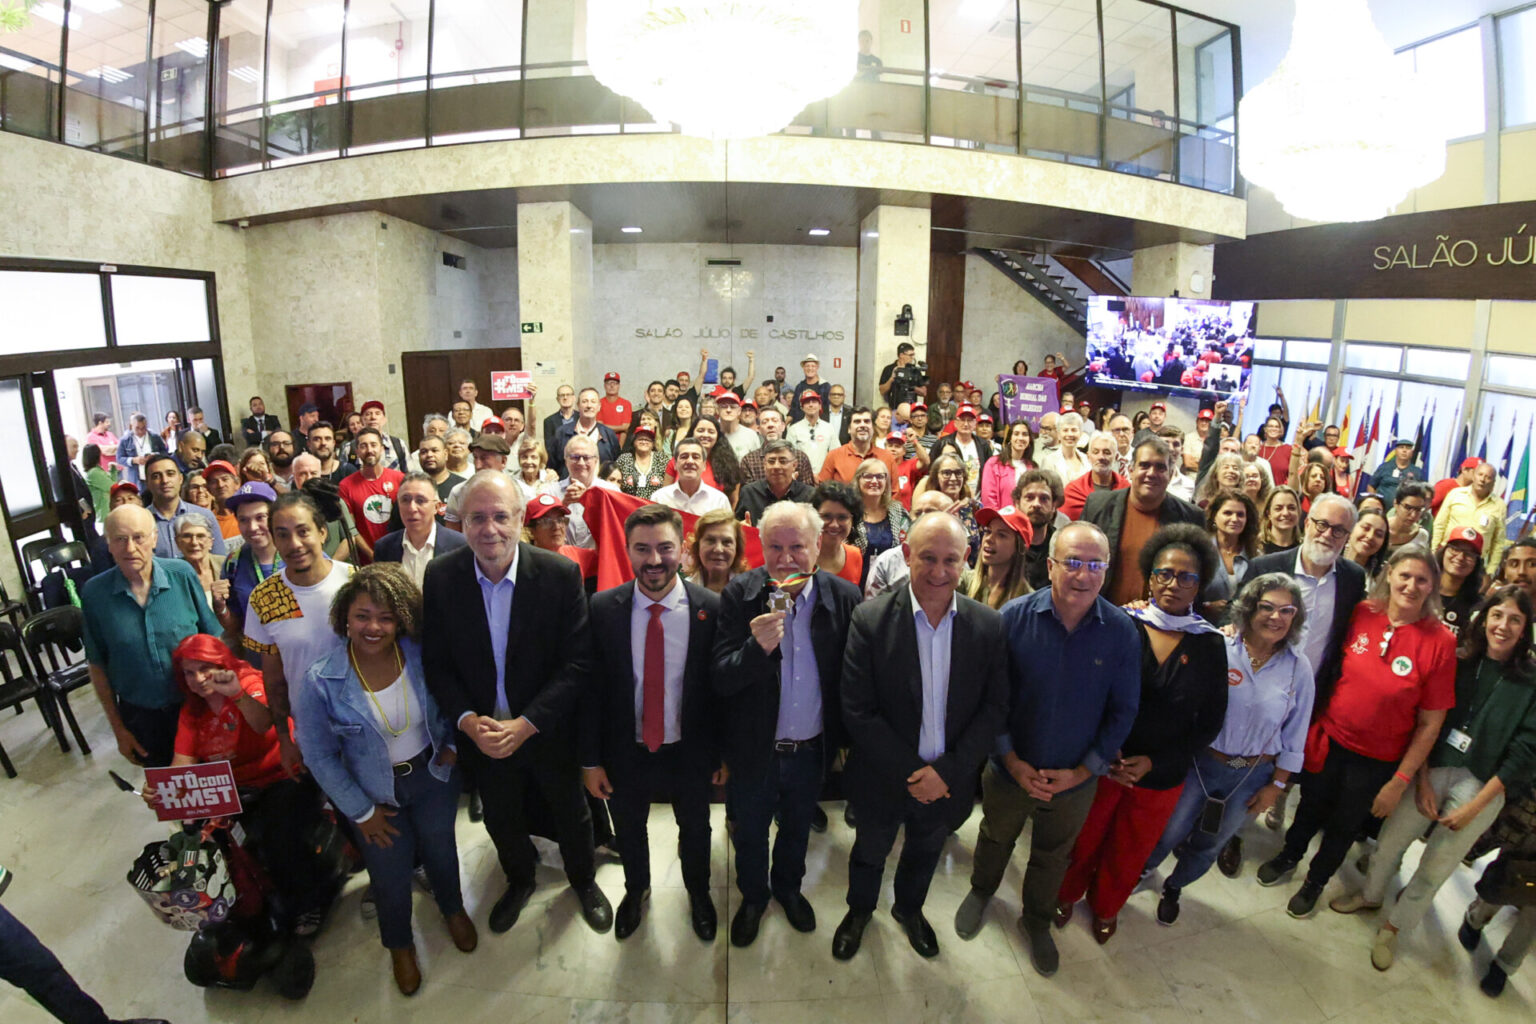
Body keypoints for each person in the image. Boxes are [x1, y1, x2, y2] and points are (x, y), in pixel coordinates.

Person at [421, 472, 613, 936]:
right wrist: (467, 722)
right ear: (460, 523)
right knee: (502, 818)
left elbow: (577, 665)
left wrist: (527, 724)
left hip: (547, 731)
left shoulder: (558, 574)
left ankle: (583, 881)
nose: (489, 529)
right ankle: (519, 880)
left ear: (522, 519)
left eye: (501, 516)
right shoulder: (442, 576)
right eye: (476, 518)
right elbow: (437, 663)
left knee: (572, 814)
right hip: (483, 737)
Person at [955, 522, 1140, 976]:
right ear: (1052, 565)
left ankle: (1036, 919)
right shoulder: (1013, 618)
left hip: (1075, 779)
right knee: (997, 835)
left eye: (1094, 565)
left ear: (1107, 570)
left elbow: (1123, 711)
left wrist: (1083, 772)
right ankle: (982, 890)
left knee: (1054, 854)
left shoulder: (1120, 632)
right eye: (1072, 562)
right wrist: (1012, 762)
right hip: (1010, 768)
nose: (1083, 575)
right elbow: (991, 700)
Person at [1327, 585, 1536, 972]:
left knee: (1436, 865)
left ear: (1525, 629)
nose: (1503, 626)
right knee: (1389, 843)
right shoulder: (1458, 659)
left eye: (1515, 619)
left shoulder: (1530, 681)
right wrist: (1421, 778)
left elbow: (1525, 753)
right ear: (1484, 617)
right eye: (1497, 615)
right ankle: (1372, 896)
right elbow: (1428, 720)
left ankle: (1393, 927)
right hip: (1433, 768)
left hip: (1482, 787)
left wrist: (1477, 806)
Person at [833, 514, 1007, 961]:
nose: (938, 571)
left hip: (948, 780)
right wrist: (915, 773)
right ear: (907, 554)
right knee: (869, 851)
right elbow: (858, 709)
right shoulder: (869, 620)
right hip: (884, 776)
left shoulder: (987, 626)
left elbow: (994, 709)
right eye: (927, 557)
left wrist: (946, 773)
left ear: (966, 561)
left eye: (951, 560)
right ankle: (859, 911)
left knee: (925, 852)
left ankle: (909, 911)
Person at [294, 564, 475, 994]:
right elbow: (318, 755)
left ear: (403, 620)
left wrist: (452, 745)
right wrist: (361, 811)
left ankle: (452, 909)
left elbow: (449, 697)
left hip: (433, 776)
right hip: (375, 794)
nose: (373, 627)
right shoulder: (321, 680)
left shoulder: (418, 654)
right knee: (389, 875)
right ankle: (400, 945)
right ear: (344, 617)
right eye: (362, 615)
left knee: (442, 850)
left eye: (386, 617)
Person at [1256, 546, 1455, 919]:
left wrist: (1399, 780)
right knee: (1310, 806)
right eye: (1405, 575)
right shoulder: (1364, 613)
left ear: (1432, 587)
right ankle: (1288, 855)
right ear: (1390, 574)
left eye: (1422, 580)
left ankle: (1315, 881)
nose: (1411, 586)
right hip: (1330, 738)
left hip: (1377, 759)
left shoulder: (1440, 642)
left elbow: (1431, 723)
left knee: (1344, 825)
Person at [1056, 524, 1228, 944]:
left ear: (1200, 584)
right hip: (1102, 764)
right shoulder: (1121, 625)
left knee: (1130, 850)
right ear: (1150, 577)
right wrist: (1104, 753)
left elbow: (1209, 722)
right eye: (1164, 573)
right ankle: (1065, 894)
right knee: (1084, 839)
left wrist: (1155, 761)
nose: (1173, 583)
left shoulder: (1210, 645)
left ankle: (1107, 906)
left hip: (1161, 774)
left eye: (1187, 577)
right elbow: (1090, 695)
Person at [712, 500, 860, 947]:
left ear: (818, 546)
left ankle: (789, 889)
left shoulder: (843, 598)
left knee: (798, 829)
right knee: (751, 832)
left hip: (812, 748)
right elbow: (720, 676)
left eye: (797, 546)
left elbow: (852, 680)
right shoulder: (741, 594)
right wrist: (757, 649)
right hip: (756, 748)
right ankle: (754, 897)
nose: (786, 558)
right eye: (775, 546)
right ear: (760, 545)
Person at [581, 504, 723, 941]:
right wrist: (590, 761)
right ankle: (636, 891)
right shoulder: (603, 608)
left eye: (665, 547)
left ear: (684, 549)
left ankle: (698, 894)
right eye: (642, 549)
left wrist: (722, 754)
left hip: (691, 750)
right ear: (626, 551)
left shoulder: (711, 609)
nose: (654, 559)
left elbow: (721, 692)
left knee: (696, 828)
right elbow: (591, 691)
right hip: (627, 750)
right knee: (629, 827)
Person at [1146, 573, 1315, 924]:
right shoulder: (1218, 647)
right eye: (1267, 607)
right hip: (1202, 764)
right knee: (1169, 829)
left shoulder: (1300, 669)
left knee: (1210, 842)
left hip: (1253, 776)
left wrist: (1277, 786)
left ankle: (1175, 887)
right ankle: (1140, 872)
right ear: (1249, 608)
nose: (1276, 617)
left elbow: (1296, 736)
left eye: (1287, 610)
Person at [149, 633, 333, 936]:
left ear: (220, 663)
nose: (198, 679)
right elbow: (182, 762)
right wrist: (162, 789)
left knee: (278, 837)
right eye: (189, 673)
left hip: (284, 773)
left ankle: (310, 900)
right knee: (206, 843)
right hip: (233, 790)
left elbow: (263, 723)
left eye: (204, 668)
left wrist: (235, 693)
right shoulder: (192, 710)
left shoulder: (249, 682)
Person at [82, 505, 223, 768]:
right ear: (108, 545)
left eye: (139, 537)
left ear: (155, 538)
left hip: (198, 707)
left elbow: (214, 641)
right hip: (142, 717)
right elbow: (97, 664)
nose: (130, 548)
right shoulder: (94, 593)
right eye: (120, 539)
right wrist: (118, 729)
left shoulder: (181, 574)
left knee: (215, 793)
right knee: (169, 797)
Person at [1082, 436, 1203, 605]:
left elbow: (1193, 580)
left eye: (1160, 467)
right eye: (1144, 465)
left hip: (1159, 622)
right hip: (1102, 616)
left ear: (1170, 473)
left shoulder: (1191, 518)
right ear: (1131, 470)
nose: (1151, 473)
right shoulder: (1097, 506)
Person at [373, 472, 469, 589]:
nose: (412, 508)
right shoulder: (384, 547)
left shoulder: (459, 546)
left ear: (437, 507)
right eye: (405, 500)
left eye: (420, 500)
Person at [219, 482, 280, 651]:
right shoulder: (234, 562)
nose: (252, 528)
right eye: (244, 520)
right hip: (257, 661)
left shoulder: (299, 553)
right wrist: (220, 607)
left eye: (260, 518)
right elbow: (234, 625)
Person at [337, 428, 405, 563]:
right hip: (367, 560)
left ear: (381, 448)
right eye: (363, 446)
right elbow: (351, 529)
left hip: (400, 555)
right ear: (357, 451)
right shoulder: (346, 486)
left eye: (373, 445)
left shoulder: (400, 479)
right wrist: (371, 554)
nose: (369, 450)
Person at [1433, 461, 1508, 571]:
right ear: (1474, 476)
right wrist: (1434, 551)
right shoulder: (1455, 494)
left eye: (1488, 477)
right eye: (1480, 475)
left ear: (1493, 483)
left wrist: (1490, 570)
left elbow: (1498, 541)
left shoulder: (1499, 505)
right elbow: (1440, 524)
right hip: (1449, 554)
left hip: (1475, 561)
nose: (1482, 480)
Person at [912, 453, 981, 563]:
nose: (953, 478)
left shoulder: (973, 507)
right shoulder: (927, 510)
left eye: (958, 473)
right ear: (936, 476)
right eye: (946, 473)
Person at [1202, 489, 1258, 621]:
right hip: (1203, 628)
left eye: (1240, 514)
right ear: (1214, 516)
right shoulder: (1200, 551)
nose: (1234, 519)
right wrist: (1206, 607)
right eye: (1228, 513)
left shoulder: (1255, 555)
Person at [853, 456, 910, 577]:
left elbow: (909, 545)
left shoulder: (898, 511)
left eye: (880, 476)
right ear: (858, 480)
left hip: (891, 580)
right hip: (855, 580)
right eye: (868, 476)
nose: (874, 481)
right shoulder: (849, 513)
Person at [967, 504, 1033, 609]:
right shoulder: (964, 582)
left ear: (1020, 547)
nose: (989, 539)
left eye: (1001, 535)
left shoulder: (1027, 602)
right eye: (988, 531)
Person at [735, 440, 812, 525]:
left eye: (783, 461)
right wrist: (740, 527)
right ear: (764, 465)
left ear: (794, 465)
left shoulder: (809, 495)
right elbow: (736, 525)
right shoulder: (749, 493)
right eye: (771, 461)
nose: (776, 466)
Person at [552, 388, 621, 480]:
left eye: (593, 402)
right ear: (578, 406)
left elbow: (615, 466)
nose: (589, 405)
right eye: (584, 401)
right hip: (571, 489)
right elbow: (553, 465)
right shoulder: (562, 433)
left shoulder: (609, 434)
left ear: (599, 406)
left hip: (601, 490)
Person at [652, 437, 731, 516]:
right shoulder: (659, 498)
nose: (690, 461)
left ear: (704, 465)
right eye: (684, 456)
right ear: (675, 464)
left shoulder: (719, 501)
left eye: (696, 457)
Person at [818, 407, 899, 484]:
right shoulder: (834, 456)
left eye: (867, 421)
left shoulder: (887, 458)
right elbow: (822, 492)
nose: (862, 425)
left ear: (873, 428)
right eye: (857, 421)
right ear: (849, 429)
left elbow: (894, 493)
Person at [740, 406, 815, 485]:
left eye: (775, 421)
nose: (770, 425)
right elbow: (748, 494)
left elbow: (808, 494)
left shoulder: (800, 457)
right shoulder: (749, 461)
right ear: (758, 429)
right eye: (765, 422)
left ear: (783, 426)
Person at [1060, 432, 1126, 521]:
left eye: (1107, 452)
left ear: (1115, 457)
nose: (1101, 457)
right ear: (1088, 457)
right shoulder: (1073, 491)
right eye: (1096, 452)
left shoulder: (1126, 489)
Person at [929, 404, 994, 495]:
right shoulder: (942, 444)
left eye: (970, 420)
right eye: (962, 420)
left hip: (976, 500)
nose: (966, 424)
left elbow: (990, 474)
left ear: (975, 424)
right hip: (947, 497)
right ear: (955, 422)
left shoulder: (983, 445)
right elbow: (932, 471)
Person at [1016, 469, 1063, 592]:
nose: (1036, 504)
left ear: (1054, 506)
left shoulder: (1062, 546)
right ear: (1017, 503)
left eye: (1044, 498)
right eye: (1029, 497)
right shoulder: (1006, 544)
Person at [1435, 527, 1486, 638]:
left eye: (1469, 554)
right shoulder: (1423, 589)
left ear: (1476, 563)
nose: (1460, 557)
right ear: (1444, 551)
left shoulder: (1476, 606)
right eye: (1455, 549)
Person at [810, 481, 863, 587]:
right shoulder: (799, 556)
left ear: (853, 520)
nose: (834, 525)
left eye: (842, 517)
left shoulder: (855, 555)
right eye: (826, 516)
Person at [173, 513, 227, 613]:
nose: (194, 542)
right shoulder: (172, 575)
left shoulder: (226, 565)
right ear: (178, 543)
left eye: (200, 536)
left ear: (211, 542)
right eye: (187, 536)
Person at [685, 508, 748, 593]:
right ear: (697, 546)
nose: (718, 549)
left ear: (737, 548)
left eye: (726, 542)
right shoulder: (683, 592)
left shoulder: (751, 592)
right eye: (710, 540)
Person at [980, 421, 1036, 510]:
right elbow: (989, 499)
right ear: (1010, 438)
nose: (1020, 438)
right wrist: (997, 521)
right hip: (1001, 520)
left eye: (1025, 434)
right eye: (1016, 434)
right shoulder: (994, 463)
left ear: (1029, 440)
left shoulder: (1033, 467)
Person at [785, 390, 836, 475]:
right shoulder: (793, 429)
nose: (811, 405)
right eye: (807, 402)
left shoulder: (829, 427)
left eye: (814, 402)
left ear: (820, 406)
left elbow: (835, 454)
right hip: (802, 478)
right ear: (802, 407)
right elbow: (788, 456)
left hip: (825, 477)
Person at [614, 423, 667, 499]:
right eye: (640, 439)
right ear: (634, 442)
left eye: (647, 440)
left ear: (653, 444)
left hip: (655, 507)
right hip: (629, 506)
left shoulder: (661, 459)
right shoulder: (624, 459)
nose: (644, 442)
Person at [116, 413, 166, 491]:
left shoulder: (154, 437)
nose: (140, 431)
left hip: (155, 475)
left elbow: (165, 453)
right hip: (136, 479)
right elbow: (119, 459)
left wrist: (155, 456)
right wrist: (134, 460)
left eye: (143, 428)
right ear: (131, 426)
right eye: (137, 428)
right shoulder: (125, 440)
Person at [1370, 437, 1424, 508]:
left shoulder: (1417, 471)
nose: (1404, 450)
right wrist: (1374, 502)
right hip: (1382, 509)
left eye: (1408, 448)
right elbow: (1371, 486)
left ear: (1412, 453)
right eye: (1401, 447)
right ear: (1396, 451)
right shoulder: (1384, 467)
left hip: (1405, 511)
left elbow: (1422, 492)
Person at [1383, 479, 1431, 554]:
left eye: (1418, 509)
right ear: (1396, 504)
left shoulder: (1421, 536)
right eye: (1408, 508)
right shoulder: (1380, 528)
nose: (1413, 515)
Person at [1040, 412, 1086, 485]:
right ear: (1058, 434)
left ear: (1080, 433)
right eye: (1065, 430)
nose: (1070, 434)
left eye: (1074, 430)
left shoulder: (1087, 460)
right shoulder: (1048, 461)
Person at [1344, 507, 1389, 582]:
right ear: (1351, 527)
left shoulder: (1382, 578)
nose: (1370, 536)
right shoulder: (1329, 561)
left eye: (1378, 534)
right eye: (1366, 528)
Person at [305, 421, 356, 485]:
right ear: (308, 444)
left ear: (333, 443)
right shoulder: (302, 474)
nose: (323, 443)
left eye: (327, 438)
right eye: (317, 439)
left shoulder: (348, 471)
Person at [878, 341, 925, 410]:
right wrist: (892, 379)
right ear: (901, 355)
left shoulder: (915, 370)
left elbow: (924, 392)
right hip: (894, 409)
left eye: (913, 355)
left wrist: (911, 386)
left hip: (911, 408)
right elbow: (882, 391)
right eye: (910, 355)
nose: (912, 358)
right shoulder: (889, 369)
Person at [513, 436, 560, 503]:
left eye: (533, 457)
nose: (529, 461)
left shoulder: (550, 480)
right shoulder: (513, 482)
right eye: (524, 457)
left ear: (541, 460)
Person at [787, 353, 831, 423]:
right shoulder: (799, 387)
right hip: (800, 425)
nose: (810, 368)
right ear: (803, 368)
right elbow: (793, 409)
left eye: (813, 366)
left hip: (819, 426)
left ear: (817, 368)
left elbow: (829, 410)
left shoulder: (825, 386)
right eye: (807, 366)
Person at [1258, 485, 1302, 554]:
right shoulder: (1256, 548)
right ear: (1268, 514)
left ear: (1298, 512)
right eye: (1278, 508)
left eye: (1291, 508)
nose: (1285, 513)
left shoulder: (1304, 549)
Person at [83, 442, 115, 524]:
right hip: (104, 513)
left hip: (107, 511)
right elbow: (112, 487)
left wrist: (113, 471)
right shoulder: (94, 473)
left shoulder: (97, 470)